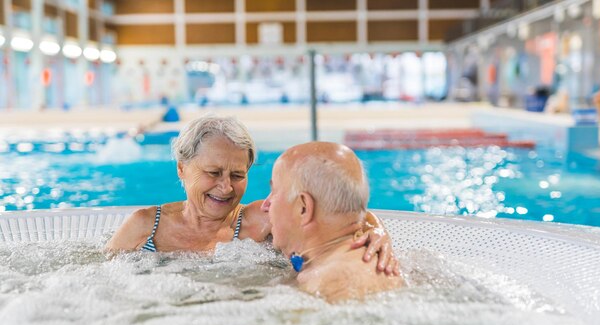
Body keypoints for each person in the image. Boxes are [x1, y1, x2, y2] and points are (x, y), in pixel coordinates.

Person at [105, 114, 399, 275]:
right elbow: (102, 280)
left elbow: (338, 211)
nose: (226, 188)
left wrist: (376, 231)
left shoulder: (259, 220)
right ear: (182, 169)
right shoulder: (145, 226)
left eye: (237, 175)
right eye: (213, 173)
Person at [261, 142, 406, 303]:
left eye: (274, 192)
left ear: (303, 207)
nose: (265, 204)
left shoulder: (331, 285)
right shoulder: (338, 266)